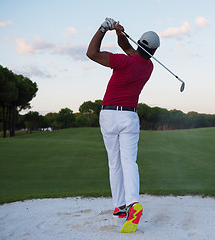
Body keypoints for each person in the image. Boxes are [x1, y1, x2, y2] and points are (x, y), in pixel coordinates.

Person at [86, 18, 160, 233]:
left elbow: (91, 53)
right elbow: (128, 48)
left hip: (109, 115)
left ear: (139, 43)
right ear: (153, 51)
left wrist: (103, 29)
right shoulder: (149, 67)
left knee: (114, 162)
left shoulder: (123, 61)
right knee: (129, 162)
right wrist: (119, 34)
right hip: (129, 117)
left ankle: (120, 206)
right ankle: (130, 205)